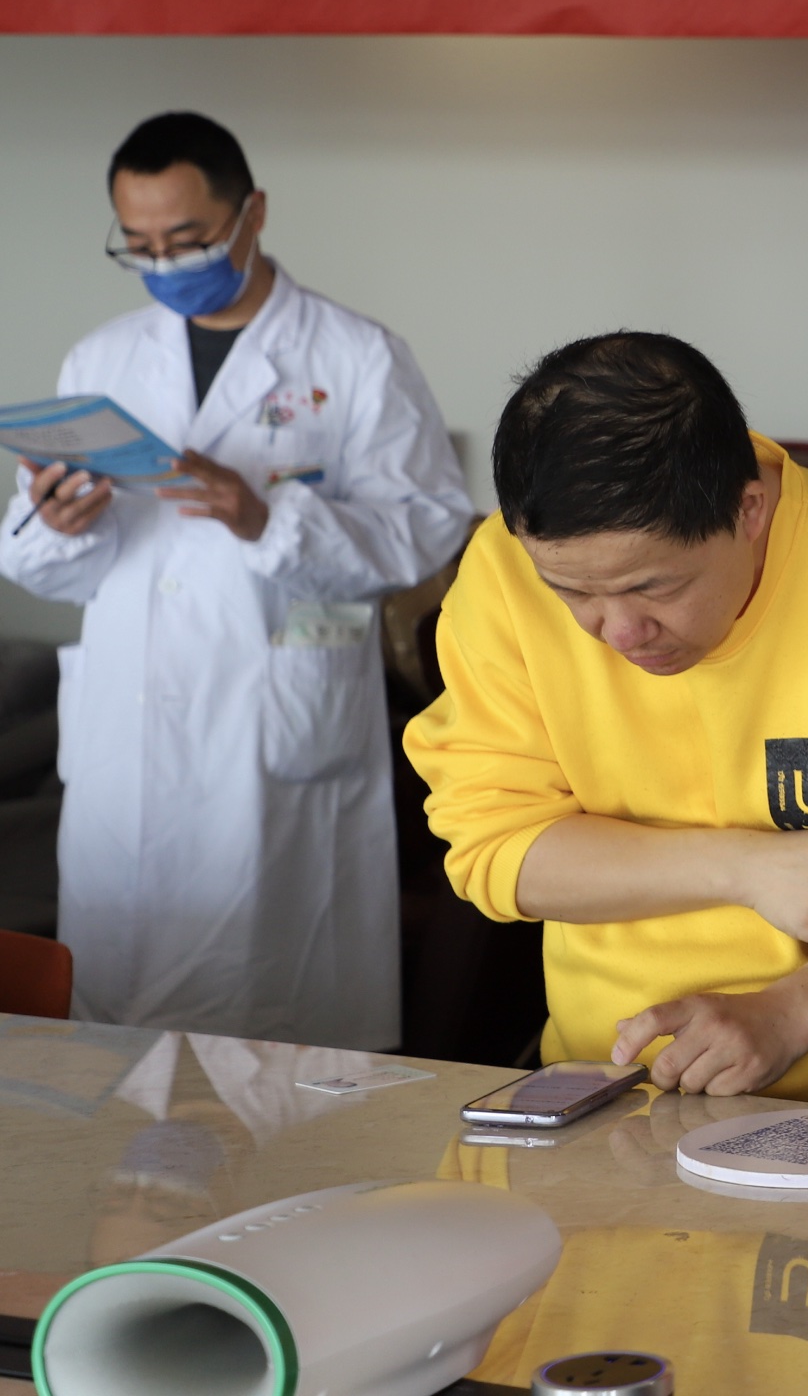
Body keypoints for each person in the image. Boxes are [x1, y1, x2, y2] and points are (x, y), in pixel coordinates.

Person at [408, 333, 808, 1119]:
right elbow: (494, 847)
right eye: (575, 594)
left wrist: (788, 1014)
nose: (618, 631)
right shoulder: (503, 570)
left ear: (750, 510)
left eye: (654, 587)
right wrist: (745, 868)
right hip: (603, 1093)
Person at [1, 112, 472, 1049]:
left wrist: (268, 517)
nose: (165, 264)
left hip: (274, 724)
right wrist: (56, 526)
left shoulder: (355, 356)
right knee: (111, 1047)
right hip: (128, 728)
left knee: (279, 1040)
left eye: (187, 239)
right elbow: (64, 566)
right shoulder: (104, 359)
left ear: (251, 213)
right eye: (139, 246)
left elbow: (428, 530)